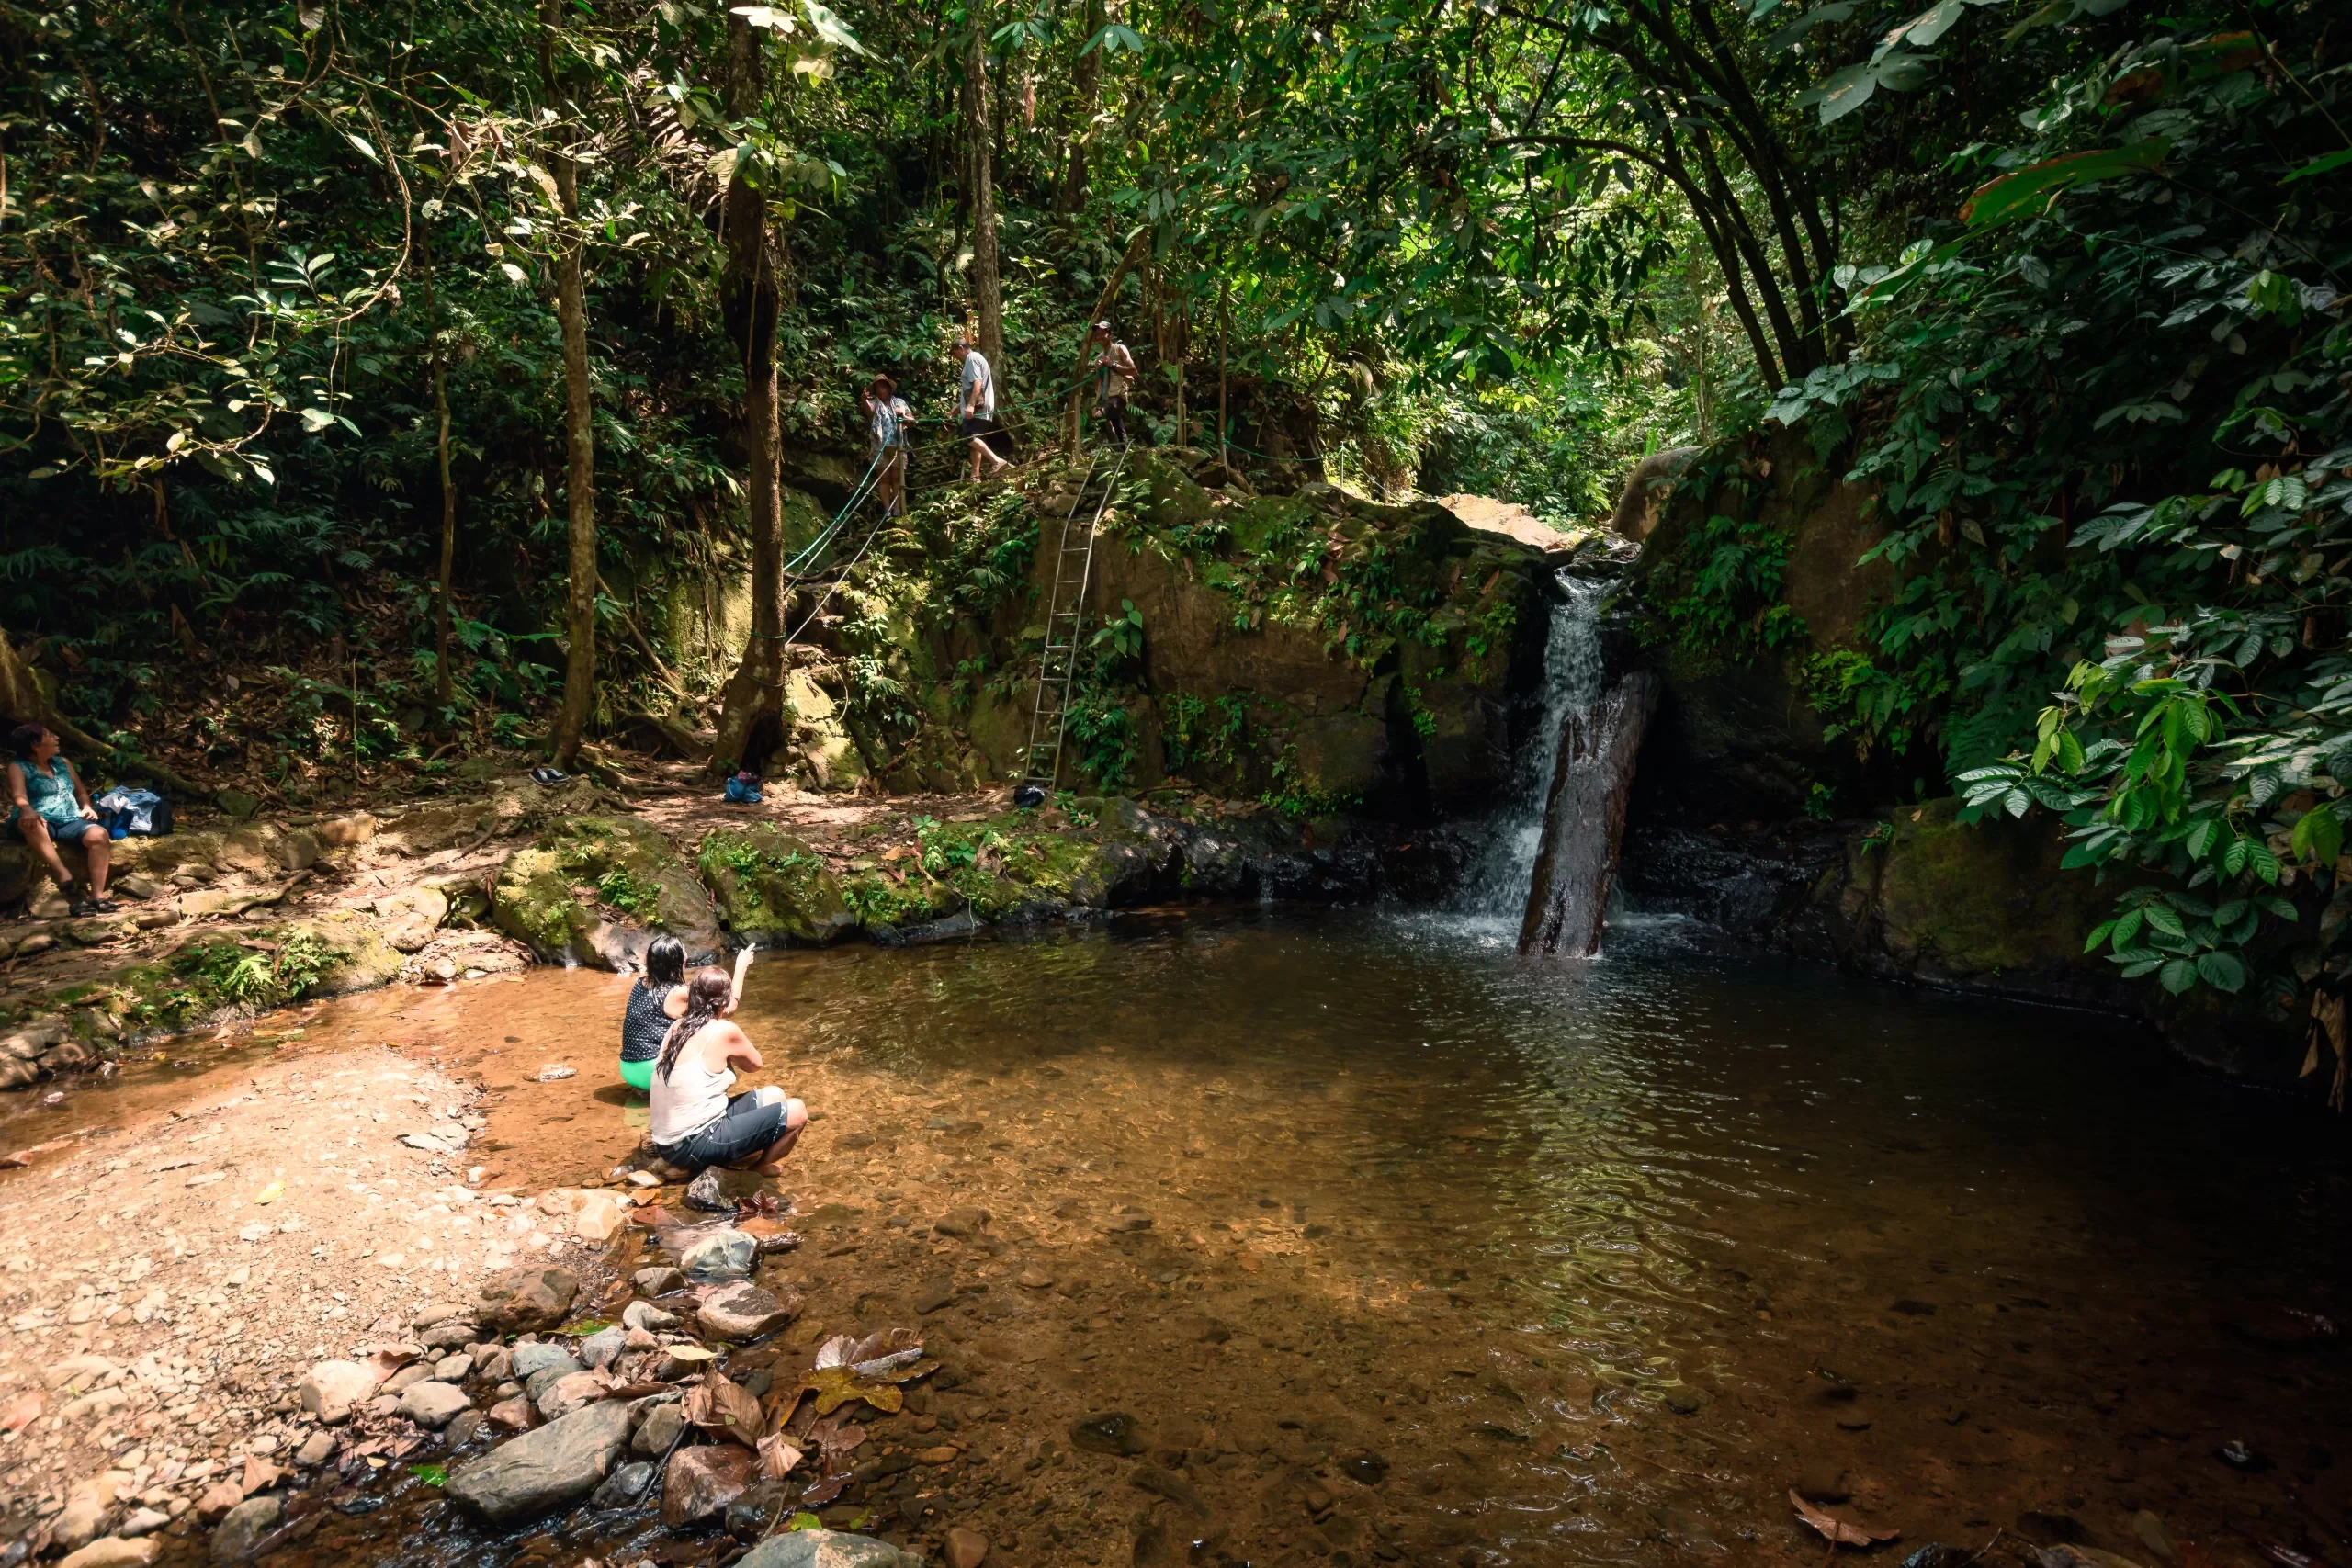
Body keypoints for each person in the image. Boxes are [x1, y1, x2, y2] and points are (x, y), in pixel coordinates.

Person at [649, 953, 807, 1176]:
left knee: (775, 1095)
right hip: (690, 1144)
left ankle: (734, 1157)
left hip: (667, 1143)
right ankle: (758, 1169)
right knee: (797, 1111)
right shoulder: (724, 1030)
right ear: (725, 1002)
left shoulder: (677, 1026)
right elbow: (755, 1065)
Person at [7, 723, 113, 916]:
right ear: (35, 745)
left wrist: (87, 807)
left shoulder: (63, 763)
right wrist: (27, 810)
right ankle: (63, 875)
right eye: (50, 735)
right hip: (37, 819)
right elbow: (19, 795)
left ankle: (97, 896)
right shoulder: (18, 767)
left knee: (99, 835)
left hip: (69, 819)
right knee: (33, 823)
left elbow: (81, 792)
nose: (56, 738)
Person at [617, 935, 689, 1094]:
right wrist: (740, 969)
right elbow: (726, 1009)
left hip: (627, 1070)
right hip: (653, 1073)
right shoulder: (678, 993)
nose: (687, 955)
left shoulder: (639, 984)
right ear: (678, 962)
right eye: (684, 952)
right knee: (709, 1030)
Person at [952, 340, 1012, 481]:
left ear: (961, 348)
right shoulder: (978, 358)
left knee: (968, 436)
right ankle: (975, 476)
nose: (957, 358)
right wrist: (959, 406)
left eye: (955, 354)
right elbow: (972, 387)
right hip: (983, 406)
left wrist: (971, 405)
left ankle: (996, 461)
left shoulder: (971, 358)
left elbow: (977, 383)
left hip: (978, 407)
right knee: (976, 440)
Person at [860, 374, 911, 516]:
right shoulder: (875, 403)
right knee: (883, 478)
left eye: (883, 387)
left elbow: (912, 421)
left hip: (898, 445)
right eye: (878, 388)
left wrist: (903, 416)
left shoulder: (900, 403)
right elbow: (869, 410)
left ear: (889, 388)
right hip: (880, 446)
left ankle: (897, 508)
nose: (880, 390)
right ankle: (887, 509)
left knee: (897, 477)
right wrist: (864, 399)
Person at [1088, 321, 1138, 446]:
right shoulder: (1099, 358)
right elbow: (1097, 385)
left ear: (1110, 335)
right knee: (1114, 422)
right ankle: (1123, 449)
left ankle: (1117, 449)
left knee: (1099, 416)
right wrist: (1098, 370)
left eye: (1103, 333)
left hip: (1118, 395)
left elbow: (1133, 371)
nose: (1099, 337)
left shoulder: (1120, 349)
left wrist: (1113, 364)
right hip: (1105, 397)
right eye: (1097, 334)